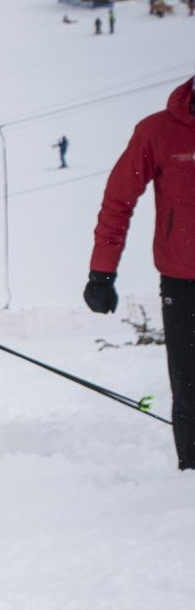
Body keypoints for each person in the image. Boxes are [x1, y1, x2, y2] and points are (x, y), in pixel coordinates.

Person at [84, 77, 195, 469]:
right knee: (189, 387)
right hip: (184, 280)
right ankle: (191, 473)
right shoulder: (158, 131)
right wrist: (102, 273)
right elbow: (118, 199)